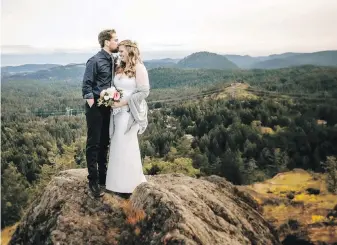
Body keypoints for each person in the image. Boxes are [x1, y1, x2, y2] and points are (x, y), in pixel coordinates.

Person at [105, 40, 150, 198]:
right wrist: (111, 97)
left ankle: (131, 184)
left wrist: (123, 102)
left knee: (127, 144)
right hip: (117, 112)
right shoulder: (120, 66)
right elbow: (117, 87)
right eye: (119, 51)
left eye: (122, 51)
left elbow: (144, 92)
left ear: (131, 51)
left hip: (129, 113)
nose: (120, 53)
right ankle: (115, 183)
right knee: (117, 143)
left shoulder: (139, 67)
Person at [82, 29, 119, 198]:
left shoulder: (113, 59)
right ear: (106, 42)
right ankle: (93, 180)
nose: (117, 43)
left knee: (105, 142)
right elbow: (86, 87)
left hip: (108, 107)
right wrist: (94, 103)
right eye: (115, 40)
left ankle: (104, 178)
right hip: (96, 106)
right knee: (94, 143)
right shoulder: (94, 61)